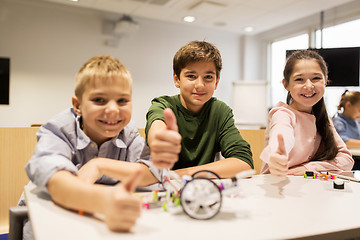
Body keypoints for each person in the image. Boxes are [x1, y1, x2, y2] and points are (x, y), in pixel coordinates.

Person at [21, 55, 167, 237]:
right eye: (99, 100)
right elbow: (57, 182)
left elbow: (152, 172)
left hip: (99, 225)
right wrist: (104, 202)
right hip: (49, 224)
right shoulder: (58, 130)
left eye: (122, 100)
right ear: (78, 105)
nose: (113, 109)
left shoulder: (128, 132)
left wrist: (99, 165)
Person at [145, 40, 253, 178]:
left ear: (216, 82)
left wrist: (184, 174)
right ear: (177, 79)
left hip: (199, 188)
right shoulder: (163, 104)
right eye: (191, 76)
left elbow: (244, 162)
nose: (200, 85)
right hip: (161, 188)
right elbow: (157, 128)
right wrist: (159, 140)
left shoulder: (219, 111)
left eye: (208, 77)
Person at [260, 50, 354, 176]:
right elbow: (282, 133)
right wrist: (277, 153)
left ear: (325, 81)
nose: (309, 86)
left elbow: (346, 160)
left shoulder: (322, 118)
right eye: (299, 79)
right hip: (276, 188)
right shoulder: (282, 114)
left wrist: (308, 167)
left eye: (316, 78)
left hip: (307, 188)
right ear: (286, 84)